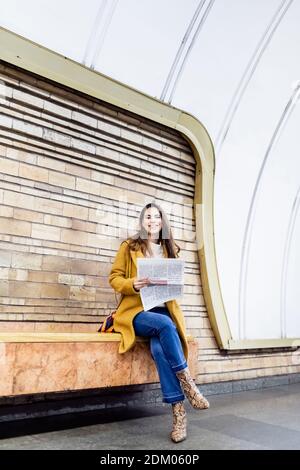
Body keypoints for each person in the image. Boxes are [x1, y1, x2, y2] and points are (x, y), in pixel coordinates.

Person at [108, 201, 209, 443]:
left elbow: (175, 285)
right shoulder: (129, 246)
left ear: (163, 222)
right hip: (137, 311)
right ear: (142, 222)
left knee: (160, 350)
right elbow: (114, 278)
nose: (152, 221)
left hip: (164, 311)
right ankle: (189, 385)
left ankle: (179, 415)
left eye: (156, 217)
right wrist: (133, 284)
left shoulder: (171, 249)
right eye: (148, 217)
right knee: (165, 327)